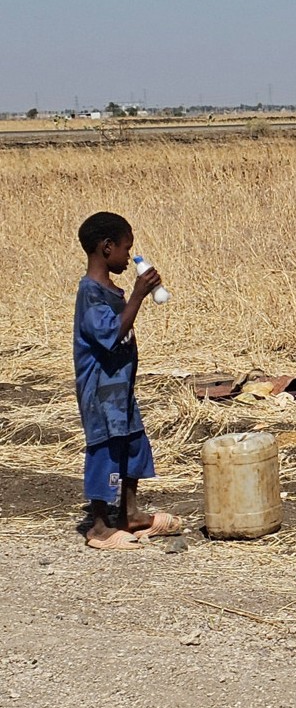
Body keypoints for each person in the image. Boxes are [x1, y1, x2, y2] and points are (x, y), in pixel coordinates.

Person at [73, 212, 180, 550]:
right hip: (100, 390)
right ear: (107, 248)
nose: (129, 255)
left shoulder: (109, 290)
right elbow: (108, 335)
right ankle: (101, 527)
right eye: (126, 248)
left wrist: (134, 295)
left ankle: (129, 514)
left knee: (132, 443)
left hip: (119, 389)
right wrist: (137, 296)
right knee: (106, 449)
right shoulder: (90, 292)